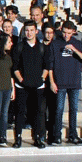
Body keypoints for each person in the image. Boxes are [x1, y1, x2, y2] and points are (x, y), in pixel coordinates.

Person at [48, 21, 82, 145]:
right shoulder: (55, 43)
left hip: (74, 82)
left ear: (73, 32)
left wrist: (74, 49)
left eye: (69, 33)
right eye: (64, 32)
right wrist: (51, 82)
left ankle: (73, 135)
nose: (66, 35)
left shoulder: (77, 43)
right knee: (59, 109)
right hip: (60, 82)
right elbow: (50, 64)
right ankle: (57, 135)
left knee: (74, 108)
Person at [12, 21, 50, 149]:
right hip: (22, 86)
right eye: (27, 30)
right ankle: (18, 138)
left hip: (38, 86)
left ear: (36, 31)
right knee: (20, 112)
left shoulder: (42, 47)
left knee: (39, 112)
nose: (29, 33)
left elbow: (47, 66)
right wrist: (21, 80)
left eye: (31, 30)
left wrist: (41, 79)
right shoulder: (19, 47)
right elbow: (15, 68)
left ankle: (38, 138)